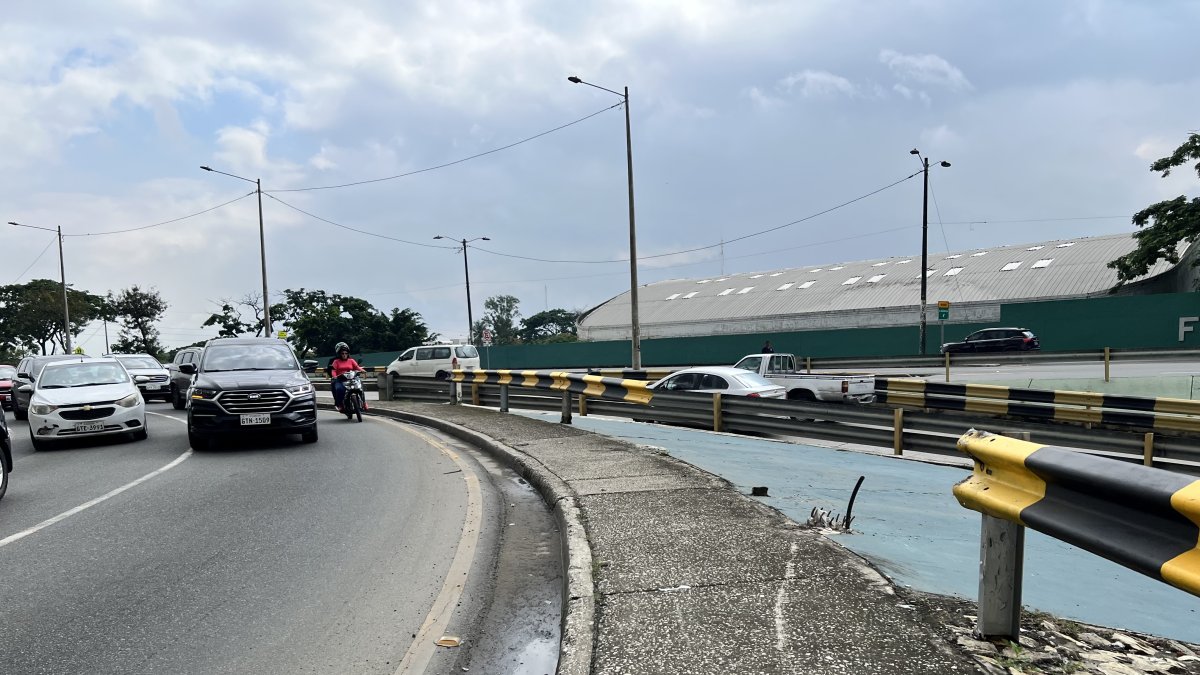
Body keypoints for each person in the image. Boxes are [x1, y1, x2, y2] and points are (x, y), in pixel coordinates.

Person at [329, 342, 367, 412]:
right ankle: (340, 405)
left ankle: (364, 403)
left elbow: (357, 367)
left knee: (360, 386)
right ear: (339, 354)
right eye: (342, 353)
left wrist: (362, 370)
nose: (344, 355)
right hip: (340, 379)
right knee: (339, 389)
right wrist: (334, 376)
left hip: (352, 378)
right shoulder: (336, 361)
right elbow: (333, 371)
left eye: (346, 353)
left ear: (348, 354)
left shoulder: (351, 360)